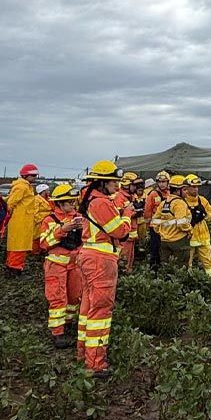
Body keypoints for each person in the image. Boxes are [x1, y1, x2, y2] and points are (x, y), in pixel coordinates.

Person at [75, 160, 132, 377]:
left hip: (89, 257)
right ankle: (96, 363)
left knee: (87, 307)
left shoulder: (89, 199)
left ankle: (83, 353)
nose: (117, 186)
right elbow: (120, 232)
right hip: (101, 260)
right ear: (102, 182)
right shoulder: (101, 202)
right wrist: (126, 214)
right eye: (113, 182)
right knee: (100, 311)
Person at [39, 184, 85, 348]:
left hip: (75, 264)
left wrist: (82, 229)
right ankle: (57, 332)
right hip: (56, 265)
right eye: (68, 203)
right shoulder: (49, 220)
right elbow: (44, 243)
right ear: (59, 203)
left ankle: (69, 323)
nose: (72, 206)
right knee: (57, 298)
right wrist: (61, 230)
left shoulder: (79, 217)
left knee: (75, 296)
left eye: (73, 202)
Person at [4, 164, 40, 276]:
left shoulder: (26, 186)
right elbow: (10, 203)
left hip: (23, 220)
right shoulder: (21, 187)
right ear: (26, 175)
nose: (35, 178)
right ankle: (14, 269)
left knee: (20, 246)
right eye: (33, 175)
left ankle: (13, 267)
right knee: (18, 246)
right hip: (19, 221)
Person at [154, 174, 192, 265]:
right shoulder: (180, 203)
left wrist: (162, 232)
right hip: (178, 241)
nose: (187, 192)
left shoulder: (164, 203)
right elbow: (181, 223)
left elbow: (155, 221)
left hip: (164, 241)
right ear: (177, 191)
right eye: (185, 189)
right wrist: (189, 229)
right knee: (180, 267)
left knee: (165, 267)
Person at [183, 175, 211, 275]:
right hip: (189, 237)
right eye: (193, 187)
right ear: (186, 188)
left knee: (208, 260)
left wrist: (203, 216)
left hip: (203, 236)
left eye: (197, 187)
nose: (196, 189)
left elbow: (210, 215)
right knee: (188, 261)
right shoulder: (182, 201)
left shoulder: (202, 200)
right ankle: (188, 280)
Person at [144, 171, 171, 268]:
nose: (162, 184)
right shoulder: (153, 194)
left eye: (164, 182)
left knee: (165, 247)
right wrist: (148, 226)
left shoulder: (169, 194)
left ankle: (164, 265)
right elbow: (147, 211)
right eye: (160, 182)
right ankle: (153, 266)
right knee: (155, 248)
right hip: (154, 227)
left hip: (167, 226)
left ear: (168, 182)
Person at [31, 183, 52, 254]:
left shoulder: (49, 199)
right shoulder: (36, 199)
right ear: (43, 191)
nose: (49, 192)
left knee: (46, 235)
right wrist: (41, 219)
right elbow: (34, 212)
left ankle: (43, 249)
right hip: (39, 222)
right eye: (47, 190)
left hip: (48, 220)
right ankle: (35, 251)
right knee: (37, 237)